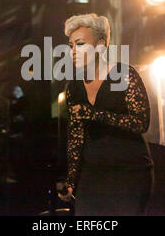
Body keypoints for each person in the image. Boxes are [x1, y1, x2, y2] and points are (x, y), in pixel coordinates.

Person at [58, 13, 153, 215]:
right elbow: (76, 137)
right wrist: (71, 180)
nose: (73, 51)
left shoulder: (124, 74)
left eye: (80, 44)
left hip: (129, 171)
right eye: (71, 45)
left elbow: (141, 123)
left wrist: (95, 114)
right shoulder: (74, 87)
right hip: (92, 175)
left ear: (100, 46)